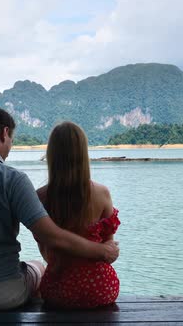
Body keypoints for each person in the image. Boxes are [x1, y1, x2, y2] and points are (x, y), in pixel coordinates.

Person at [0, 107, 119, 311]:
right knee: (38, 267)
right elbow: (52, 236)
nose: (10, 145)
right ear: (4, 133)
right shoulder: (13, 179)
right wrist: (101, 250)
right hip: (6, 294)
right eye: (11, 139)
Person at [36, 121, 120, 309]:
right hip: (102, 288)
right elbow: (109, 249)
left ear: (52, 155)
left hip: (58, 290)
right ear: (83, 154)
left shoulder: (40, 198)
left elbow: (44, 251)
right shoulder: (103, 193)